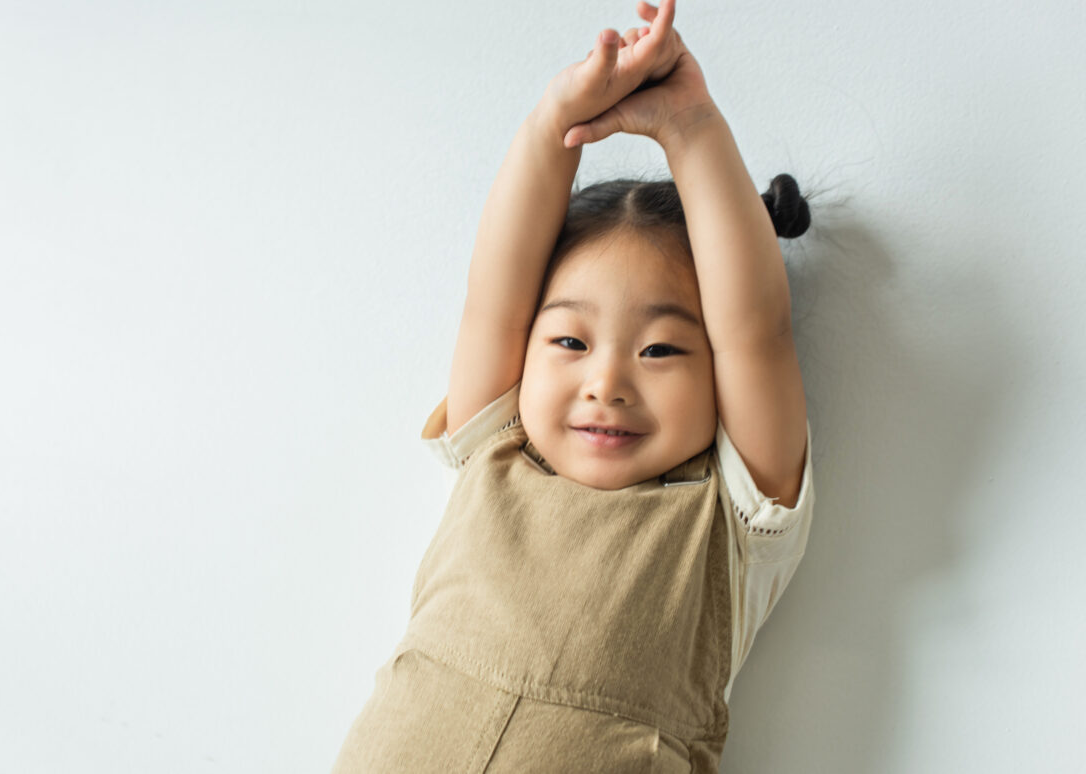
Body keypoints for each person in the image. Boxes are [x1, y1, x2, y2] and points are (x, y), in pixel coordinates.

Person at [333, 0, 815, 770]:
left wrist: (691, 126)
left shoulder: (735, 515)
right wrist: (553, 121)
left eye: (660, 349)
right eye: (569, 341)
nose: (607, 382)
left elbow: (757, 332)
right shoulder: (492, 445)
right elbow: (493, 300)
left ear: (719, 373)